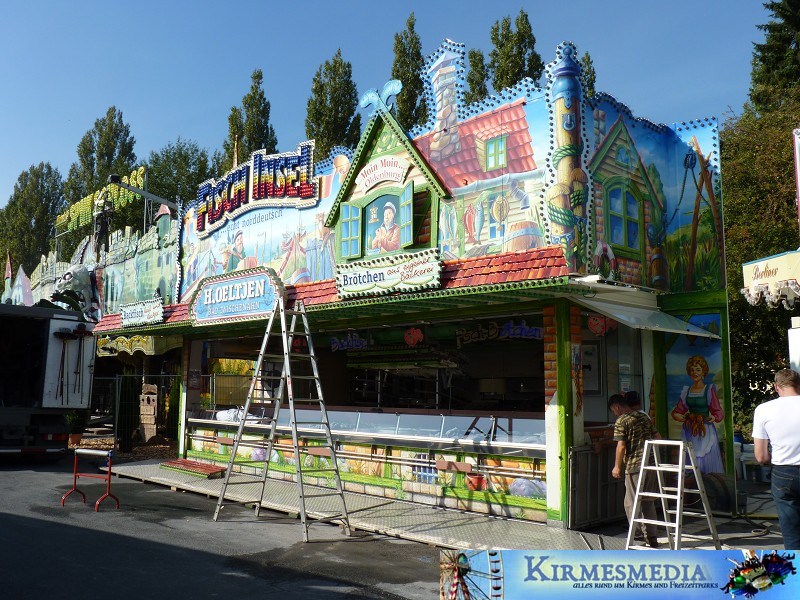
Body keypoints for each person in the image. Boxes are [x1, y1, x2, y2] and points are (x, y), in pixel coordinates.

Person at [753, 368, 800, 550]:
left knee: (791, 532)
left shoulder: (764, 410)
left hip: (783, 473)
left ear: (776, 387)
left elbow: (761, 456)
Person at [609, 393, 661, 548]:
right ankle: (652, 536)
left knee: (631, 502)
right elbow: (658, 437)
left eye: (613, 410)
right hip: (651, 464)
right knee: (648, 502)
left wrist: (617, 466)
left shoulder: (622, 420)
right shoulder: (643, 416)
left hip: (635, 466)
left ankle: (636, 535)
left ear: (617, 407)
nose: (614, 414)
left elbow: (621, 446)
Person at [670, 355, 724, 473]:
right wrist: (678, 416)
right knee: (691, 456)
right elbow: (678, 410)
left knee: (705, 458)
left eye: (698, 370)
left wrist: (714, 417)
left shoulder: (708, 389)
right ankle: (692, 479)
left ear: (703, 372)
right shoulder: (686, 391)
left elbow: (717, 411)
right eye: (692, 370)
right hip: (689, 428)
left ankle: (707, 479)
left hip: (705, 429)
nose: (695, 373)